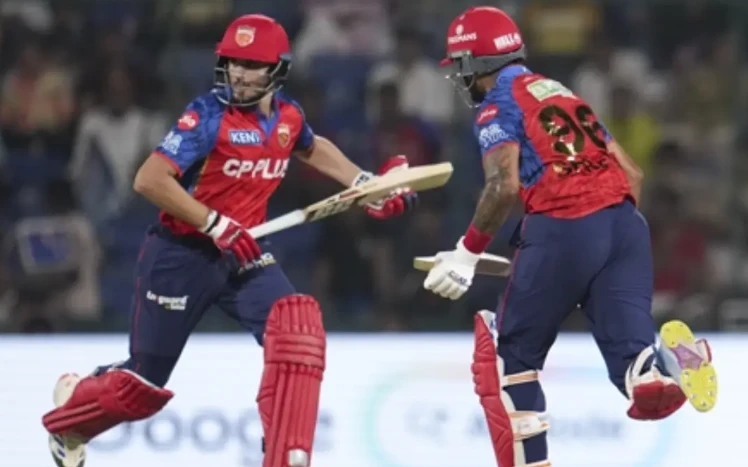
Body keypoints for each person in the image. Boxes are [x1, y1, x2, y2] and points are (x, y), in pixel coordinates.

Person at [41, 14, 417, 467]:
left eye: (251, 65)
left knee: (297, 329)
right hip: (181, 255)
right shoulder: (207, 115)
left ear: (277, 70)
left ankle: (284, 454)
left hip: (245, 254)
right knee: (142, 387)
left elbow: (311, 146)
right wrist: (215, 224)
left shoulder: (288, 116)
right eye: (233, 62)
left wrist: (362, 181)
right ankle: (72, 417)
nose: (238, 73)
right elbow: (149, 179)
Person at [424, 6, 717, 467]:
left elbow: (503, 186)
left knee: (509, 361)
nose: (461, 79)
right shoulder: (562, 93)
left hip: (565, 225)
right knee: (641, 381)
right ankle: (666, 364)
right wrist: (597, 258)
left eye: (461, 67)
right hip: (625, 227)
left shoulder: (499, 104)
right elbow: (632, 173)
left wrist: (466, 253)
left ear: (475, 64)